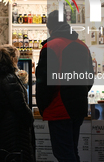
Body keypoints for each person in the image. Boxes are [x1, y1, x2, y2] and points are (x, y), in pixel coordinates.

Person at [36, 10, 94, 162]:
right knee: (72, 152)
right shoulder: (83, 46)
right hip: (78, 108)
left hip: (59, 108)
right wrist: (78, 95)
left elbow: (44, 84)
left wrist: (43, 107)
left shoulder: (51, 46)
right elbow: (89, 79)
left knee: (63, 154)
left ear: (50, 27)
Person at [0, 45, 35, 162]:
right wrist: (30, 117)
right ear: (11, 58)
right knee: (15, 157)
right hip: (14, 130)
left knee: (2, 156)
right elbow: (19, 105)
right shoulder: (9, 78)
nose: (18, 60)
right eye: (17, 57)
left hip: (0, 127)